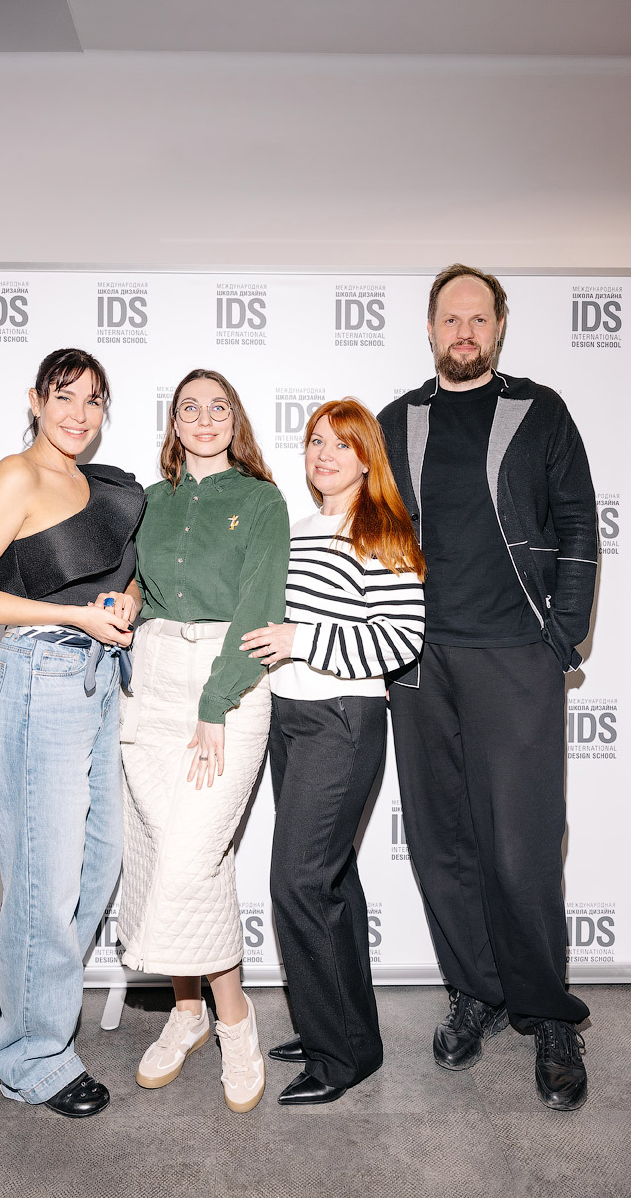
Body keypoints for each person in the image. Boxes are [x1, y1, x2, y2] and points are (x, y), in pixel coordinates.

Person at [378, 264, 598, 1111]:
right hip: (421, 660)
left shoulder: (540, 411)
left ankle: (547, 1013)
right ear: (431, 329)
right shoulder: (398, 419)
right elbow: (370, 529)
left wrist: (562, 633)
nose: (464, 332)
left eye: (478, 318)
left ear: (499, 327)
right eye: (450, 319)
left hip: (515, 656)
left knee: (523, 845)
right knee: (443, 839)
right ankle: (475, 991)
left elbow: (577, 521)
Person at [0, 348, 145, 1118]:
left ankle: (0, 1010)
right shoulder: (16, 476)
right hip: (38, 679)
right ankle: (32, 1056)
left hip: (99, 680)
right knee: (43, 878)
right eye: (65, 397)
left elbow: (119, 577)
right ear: (35, 400)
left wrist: (124, 604)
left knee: (94, 865)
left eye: (93, 400)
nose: (79, 414)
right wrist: (71, 615)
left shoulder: (102, 486)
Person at [240, 399, 425, 1105]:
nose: (325, 454)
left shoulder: (382, 533)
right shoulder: (302, 528)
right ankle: (345, 1032)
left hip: (342, 719)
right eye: (316, 441)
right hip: (290, 716)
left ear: (367, 458)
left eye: (342, 445)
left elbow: (400, 640)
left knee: (298, 882)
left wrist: (301, 640)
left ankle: (336, 1055)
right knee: (332, 881)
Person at [118, 368, 290, 1114]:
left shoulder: (262, 501)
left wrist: (216, 703)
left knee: (193, 854)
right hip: (152, 681)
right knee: (165, 850)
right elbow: (135, 582)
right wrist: (125, 601)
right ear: (174, 424)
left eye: (219, 407)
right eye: (190, 407)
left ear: (236, 420)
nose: (205, 418)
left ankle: (234, 1019)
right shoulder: (150, 502)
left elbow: (260, 606)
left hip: (228, 682)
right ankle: (186, 1012)